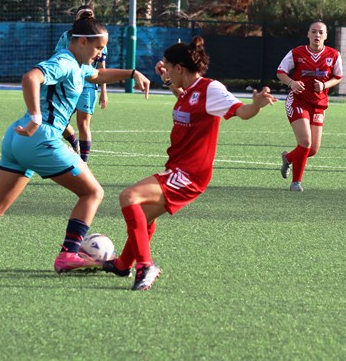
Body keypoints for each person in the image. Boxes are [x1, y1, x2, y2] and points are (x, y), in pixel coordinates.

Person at [0, 16, 151, 272]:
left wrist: (132, 74)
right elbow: (31, 78)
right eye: (98, 48)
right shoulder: (65, 61)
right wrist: (36, 117)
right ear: (83, 42)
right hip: (40, 138)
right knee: (93, 192)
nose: (100, 54)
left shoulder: (78, 65)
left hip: (17, 139)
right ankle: (68, 254)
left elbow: (97, 74)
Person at [101, 36, 277, 291]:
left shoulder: (211, 90)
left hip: (189, 174)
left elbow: (242, 112)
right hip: (176, 168)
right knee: (144, 218)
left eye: (168, 67)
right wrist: (169, 79)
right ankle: (122, 265)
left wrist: (256, 105)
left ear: (180, 68)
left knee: (129, 197)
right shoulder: (188, 92)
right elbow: (186, 99)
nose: (166, 72)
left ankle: (145, 266)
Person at [276, 21, 343, 192]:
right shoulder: (297, 53)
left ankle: (288, 158)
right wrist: (291, 82)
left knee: (312, 149)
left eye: (321, 32)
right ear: (308, 34)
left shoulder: (333, 55)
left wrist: (325, 85)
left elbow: (338, 76)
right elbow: (280, 72)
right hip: (298, 101)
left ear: (326, 36)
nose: (317, 35)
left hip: (319, 105)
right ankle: (296, 182)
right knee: (305, 143)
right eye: (313, 32)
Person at [57, 5, 108, 162]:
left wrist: (104, 92)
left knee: (83, 124)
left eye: (89, 16)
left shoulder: (98, 37)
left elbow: (101, 68)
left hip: (87, 86)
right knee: (60, 122)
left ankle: (83, 163)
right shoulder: (67, 37)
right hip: (68, 85)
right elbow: (59, 58)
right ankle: (74, 141)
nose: (86, 19)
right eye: (83, 16)